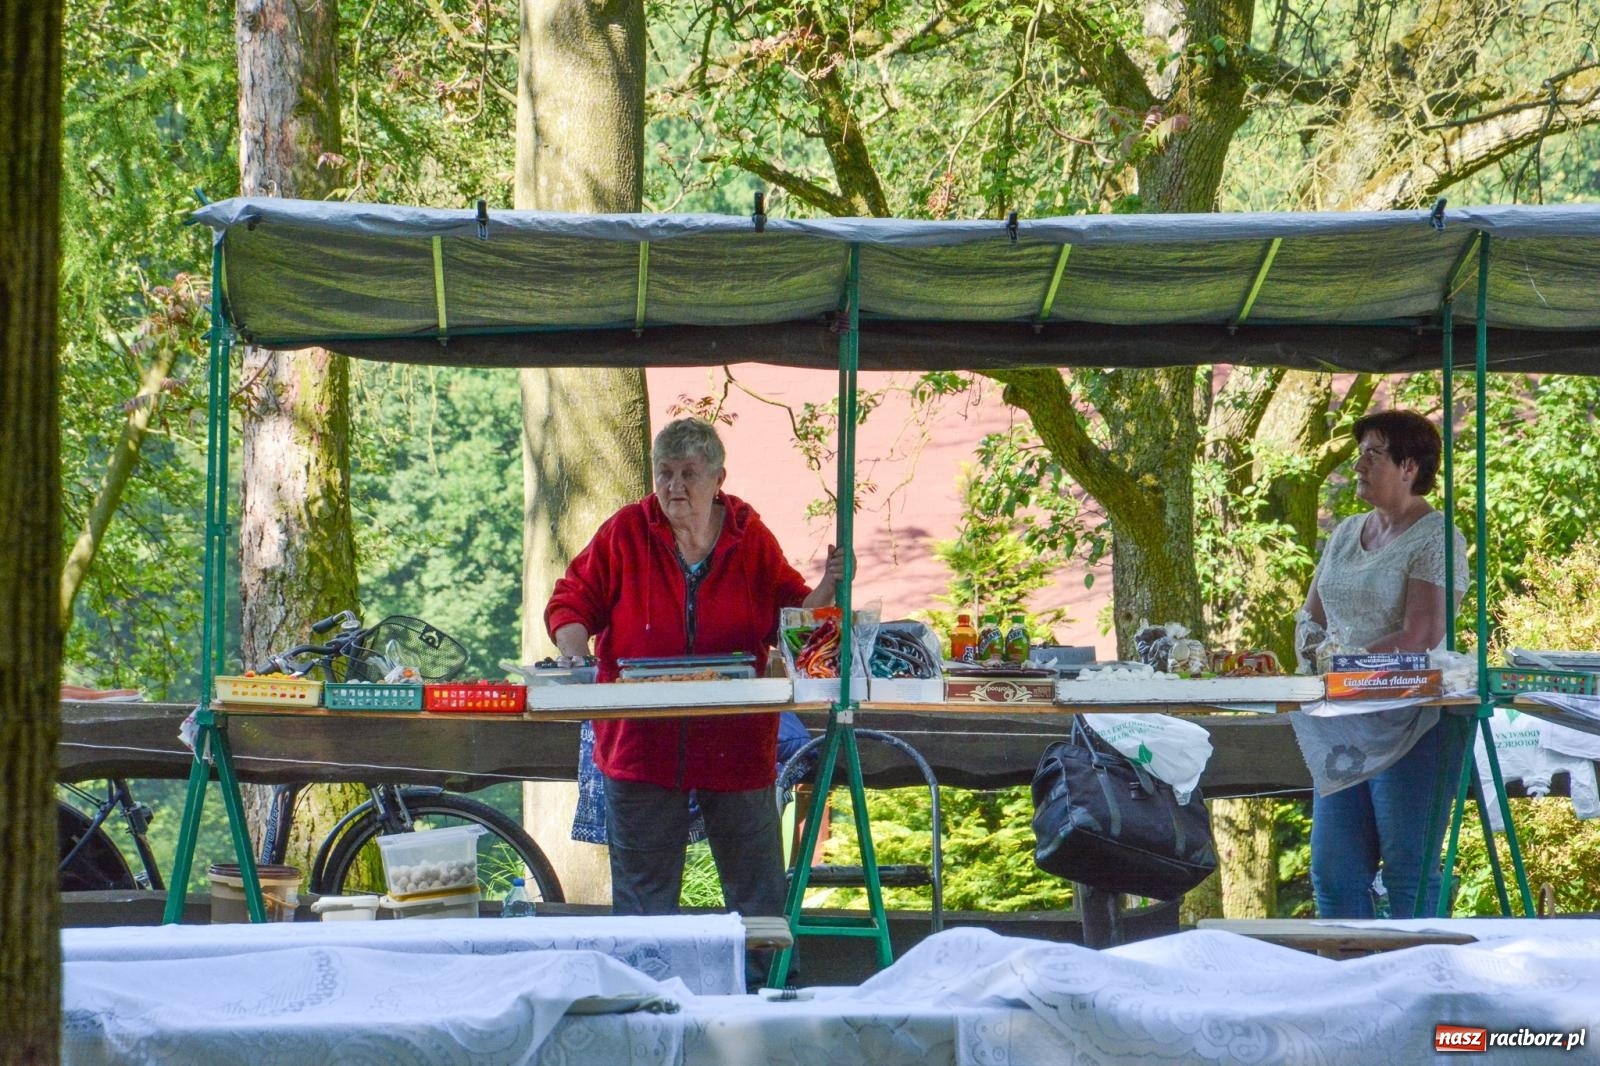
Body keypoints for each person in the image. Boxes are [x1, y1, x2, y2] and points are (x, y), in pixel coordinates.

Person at [545, 417, 844, 937]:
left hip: (736, 742)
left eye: (688, 474)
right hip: (641, 745)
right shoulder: (626, 531)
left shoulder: (749, 537)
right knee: (644, 904)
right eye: (664, 473)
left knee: (756, 896)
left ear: (718, 478)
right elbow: (572, 600)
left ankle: (764, 995)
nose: (673, 487)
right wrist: (575, 652)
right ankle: (649, 1004)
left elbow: (795, 620)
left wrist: (830, 586)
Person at [1300, 409, 1469, 919]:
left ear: (1409, 466)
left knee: (1408, 868)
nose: (1358, 465)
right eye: (1360, 453)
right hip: (1343, 721)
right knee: (1334, 872)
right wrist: (1311, 652)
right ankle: (1351, 987)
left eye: (1372, 454)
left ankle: (1424, 984)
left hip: (1414, 721)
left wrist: (1344, 666)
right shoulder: (1346, 532)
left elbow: (1421, 634)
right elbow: (1311, 616)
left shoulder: (1438, 538)